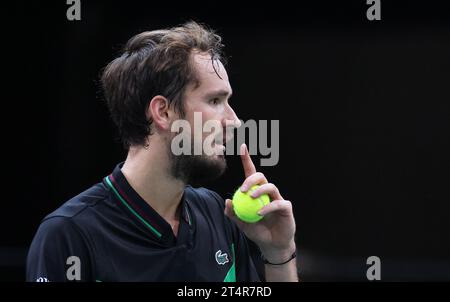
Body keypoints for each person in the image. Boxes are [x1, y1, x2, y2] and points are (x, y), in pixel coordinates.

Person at [26, 21, 298, 282]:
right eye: (215, 100)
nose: (234, 120)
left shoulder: (219, 216)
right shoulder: (69, 234)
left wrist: (279, 253)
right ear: (163, 112)